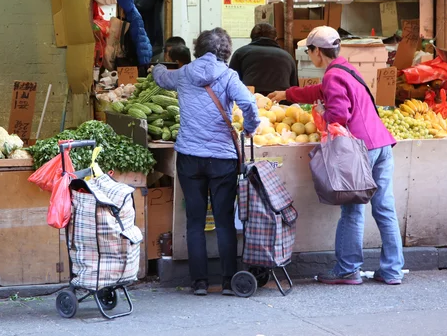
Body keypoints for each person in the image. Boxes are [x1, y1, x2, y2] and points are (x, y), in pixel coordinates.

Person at [268, 26, 404, 285]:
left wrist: (322, 114)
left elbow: (339, 115)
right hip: (382, 144)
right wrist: (288, 94)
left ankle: (348, 269)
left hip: (359, 150)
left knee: (352, 211)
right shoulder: (346, 68)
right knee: (385, 208)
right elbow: (320, 90)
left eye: (310, 51)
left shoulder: (333, 76)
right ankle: (393, 270)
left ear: (317, 51)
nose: (310, 56)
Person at [152, 27, 261, 296]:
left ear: (198, 48)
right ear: (226, 50)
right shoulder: (229, 75)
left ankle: (198, 282)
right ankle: (227, 281)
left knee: (195, 221)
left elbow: (162, 78)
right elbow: (249, 104)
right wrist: (249, 127)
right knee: (224, 221)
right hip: (222, 159)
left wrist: (154, 65)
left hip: (189, 157)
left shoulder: (185, 73)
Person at [229, 23, 298, 95]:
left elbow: (230, 84)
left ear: (252, 38)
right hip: (281, 103)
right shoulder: (288, 57)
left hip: (250, 101)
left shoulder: (240, 53)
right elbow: (294, 90)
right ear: (275, 38)